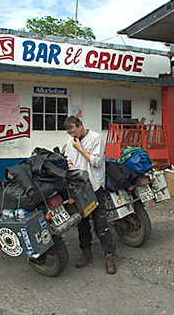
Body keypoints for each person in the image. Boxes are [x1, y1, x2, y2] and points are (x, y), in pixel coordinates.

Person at [63, 116, 117, 274]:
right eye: (69, 133)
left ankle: (109, 256)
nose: (72, 135)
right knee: (82, 224)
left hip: (94, 186)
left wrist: (80, 149)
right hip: (78, 189)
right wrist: (71, 164)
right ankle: (86, 253)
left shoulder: (96, 139)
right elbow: (68, 159)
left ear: (80, 126)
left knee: (101, 223)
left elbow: (96, 161)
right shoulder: (70, 142)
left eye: (73, 131)